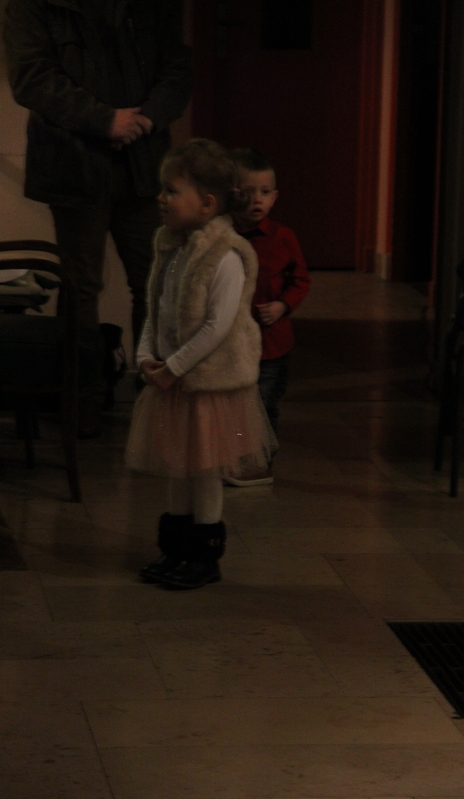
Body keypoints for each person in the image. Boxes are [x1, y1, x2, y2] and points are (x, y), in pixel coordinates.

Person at [3, 0, 193, 437]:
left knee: (156, 283)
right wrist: (103, 120)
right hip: (72, 164)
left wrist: (145, 120)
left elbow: (177, 68)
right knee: (81, 287)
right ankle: (82, 396)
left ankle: (154, 397)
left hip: (144, 166)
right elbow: (32, 77)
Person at [125, 139, 277, 590]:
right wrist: (145, 355)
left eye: (172, 190)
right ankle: (176, 548)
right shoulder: (171, 246)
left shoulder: (226, 254)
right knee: (179, 465)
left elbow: (217, 326)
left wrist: (173, 367)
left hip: (208, 384)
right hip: (173, 379)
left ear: (207, 203)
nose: (161, 198)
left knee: (205, 469)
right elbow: (156, 307)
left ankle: (203, 557)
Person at [226, 147, 311, 486]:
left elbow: (300, 279)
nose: (256, 200)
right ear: (232, 194)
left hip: (271, 343)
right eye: (247, 192)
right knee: (233, 402)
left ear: (274, 197)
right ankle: (234, 456)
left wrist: (283, 305)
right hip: (232, 341)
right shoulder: (222, 236)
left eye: (264, 192)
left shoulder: (282, 237)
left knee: (264, 402)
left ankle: (261, 460)